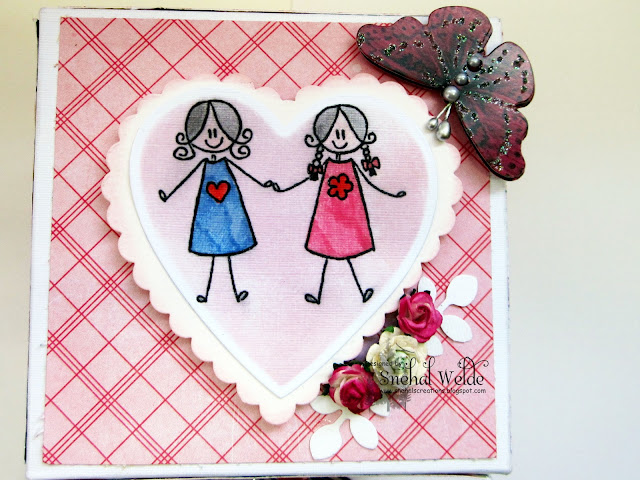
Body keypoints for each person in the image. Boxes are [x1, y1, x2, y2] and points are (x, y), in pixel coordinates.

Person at [274, 104, 405, 305]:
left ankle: (361, 291)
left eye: (346, 133)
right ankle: (321, 295)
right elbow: (307, 179)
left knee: (348, 252)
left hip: (350, 216)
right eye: (333, 133)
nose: (340, 138)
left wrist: (392, 193)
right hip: (328, 215)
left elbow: (369, 182)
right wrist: (283, 188)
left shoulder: (352, 165)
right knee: (328, 253)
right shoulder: (326, 165)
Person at [159, 100, 274, 303]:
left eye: (220, 131)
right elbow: (186, 177)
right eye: (205, 132)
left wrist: (263, 184)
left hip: (230, 211)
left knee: (228, 250)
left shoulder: (225, 163)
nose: (213, 137)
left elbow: (245, 173)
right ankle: (207, 294)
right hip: (209, 213)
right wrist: (168, 194)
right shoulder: (204, 164)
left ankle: (235, 292)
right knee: (213, 251)